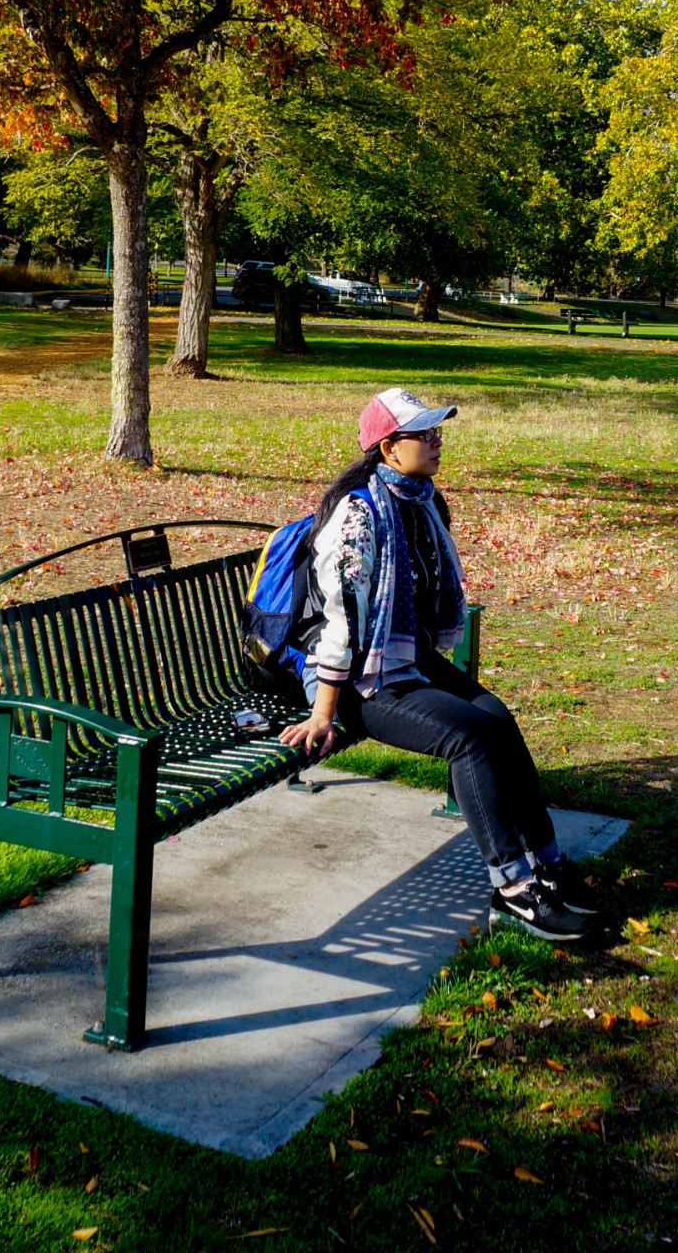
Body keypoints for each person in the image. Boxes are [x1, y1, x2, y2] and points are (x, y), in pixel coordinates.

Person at [278, 386, 599, 940]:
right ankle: (514, 890)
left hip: (402, 660)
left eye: (436, 430)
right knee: (471, 737)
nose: (435, 440)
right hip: (356, 680)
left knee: (496, 717)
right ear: (387, 449)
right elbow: (340, 625)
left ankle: (548, 864)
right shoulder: (358, 517)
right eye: (421, 434)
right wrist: (324, 713)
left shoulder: (419, 500)